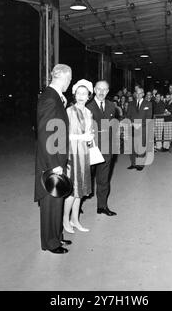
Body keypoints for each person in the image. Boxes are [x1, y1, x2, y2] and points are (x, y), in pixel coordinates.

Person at [34, 64, 72, 254]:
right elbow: (45, 134)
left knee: (57, 199)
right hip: (52, 161)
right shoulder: (49, 98)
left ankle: (57, 236)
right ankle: (50, 243)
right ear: (64, 77)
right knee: (50, 201)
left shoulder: (55, 97)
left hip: (57, 157)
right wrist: (55, 164)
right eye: (69, 79)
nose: (69, 83)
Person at [63, 79, 94, 234]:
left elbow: (89, 133)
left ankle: (75, 220)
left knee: (80, 191)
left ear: (89, 96)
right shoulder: (69, 111)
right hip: (72, 153)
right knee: (71, 190)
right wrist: (81, 138)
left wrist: (90, 138)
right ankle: (65, 220)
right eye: (78, 93)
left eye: (85, 93)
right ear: (74, 94)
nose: (81, 96)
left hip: (84, 153)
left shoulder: (89, 113)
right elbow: (64, 135)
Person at [86, 80, 117, 216]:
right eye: (99, 89)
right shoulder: (87, 106)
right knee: (86, 177)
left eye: (104, 89)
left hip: (106, 148)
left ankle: (102, 206)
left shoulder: (111, 106)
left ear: (108, 91)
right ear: (94, 89)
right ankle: (77, 204)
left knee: (103, 179)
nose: (101, 92)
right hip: (90, 148)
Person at [126, 85, 153, 170]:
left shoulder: (148, 104)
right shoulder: (131, 104)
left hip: (143, 128)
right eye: (137, 93)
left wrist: (140, 124)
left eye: (140, 93)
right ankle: (133, 163)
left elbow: (149, 117)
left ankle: (140, 164)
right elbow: (128, 116)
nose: (138, 95)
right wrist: (132, 123)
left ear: (143, 94)